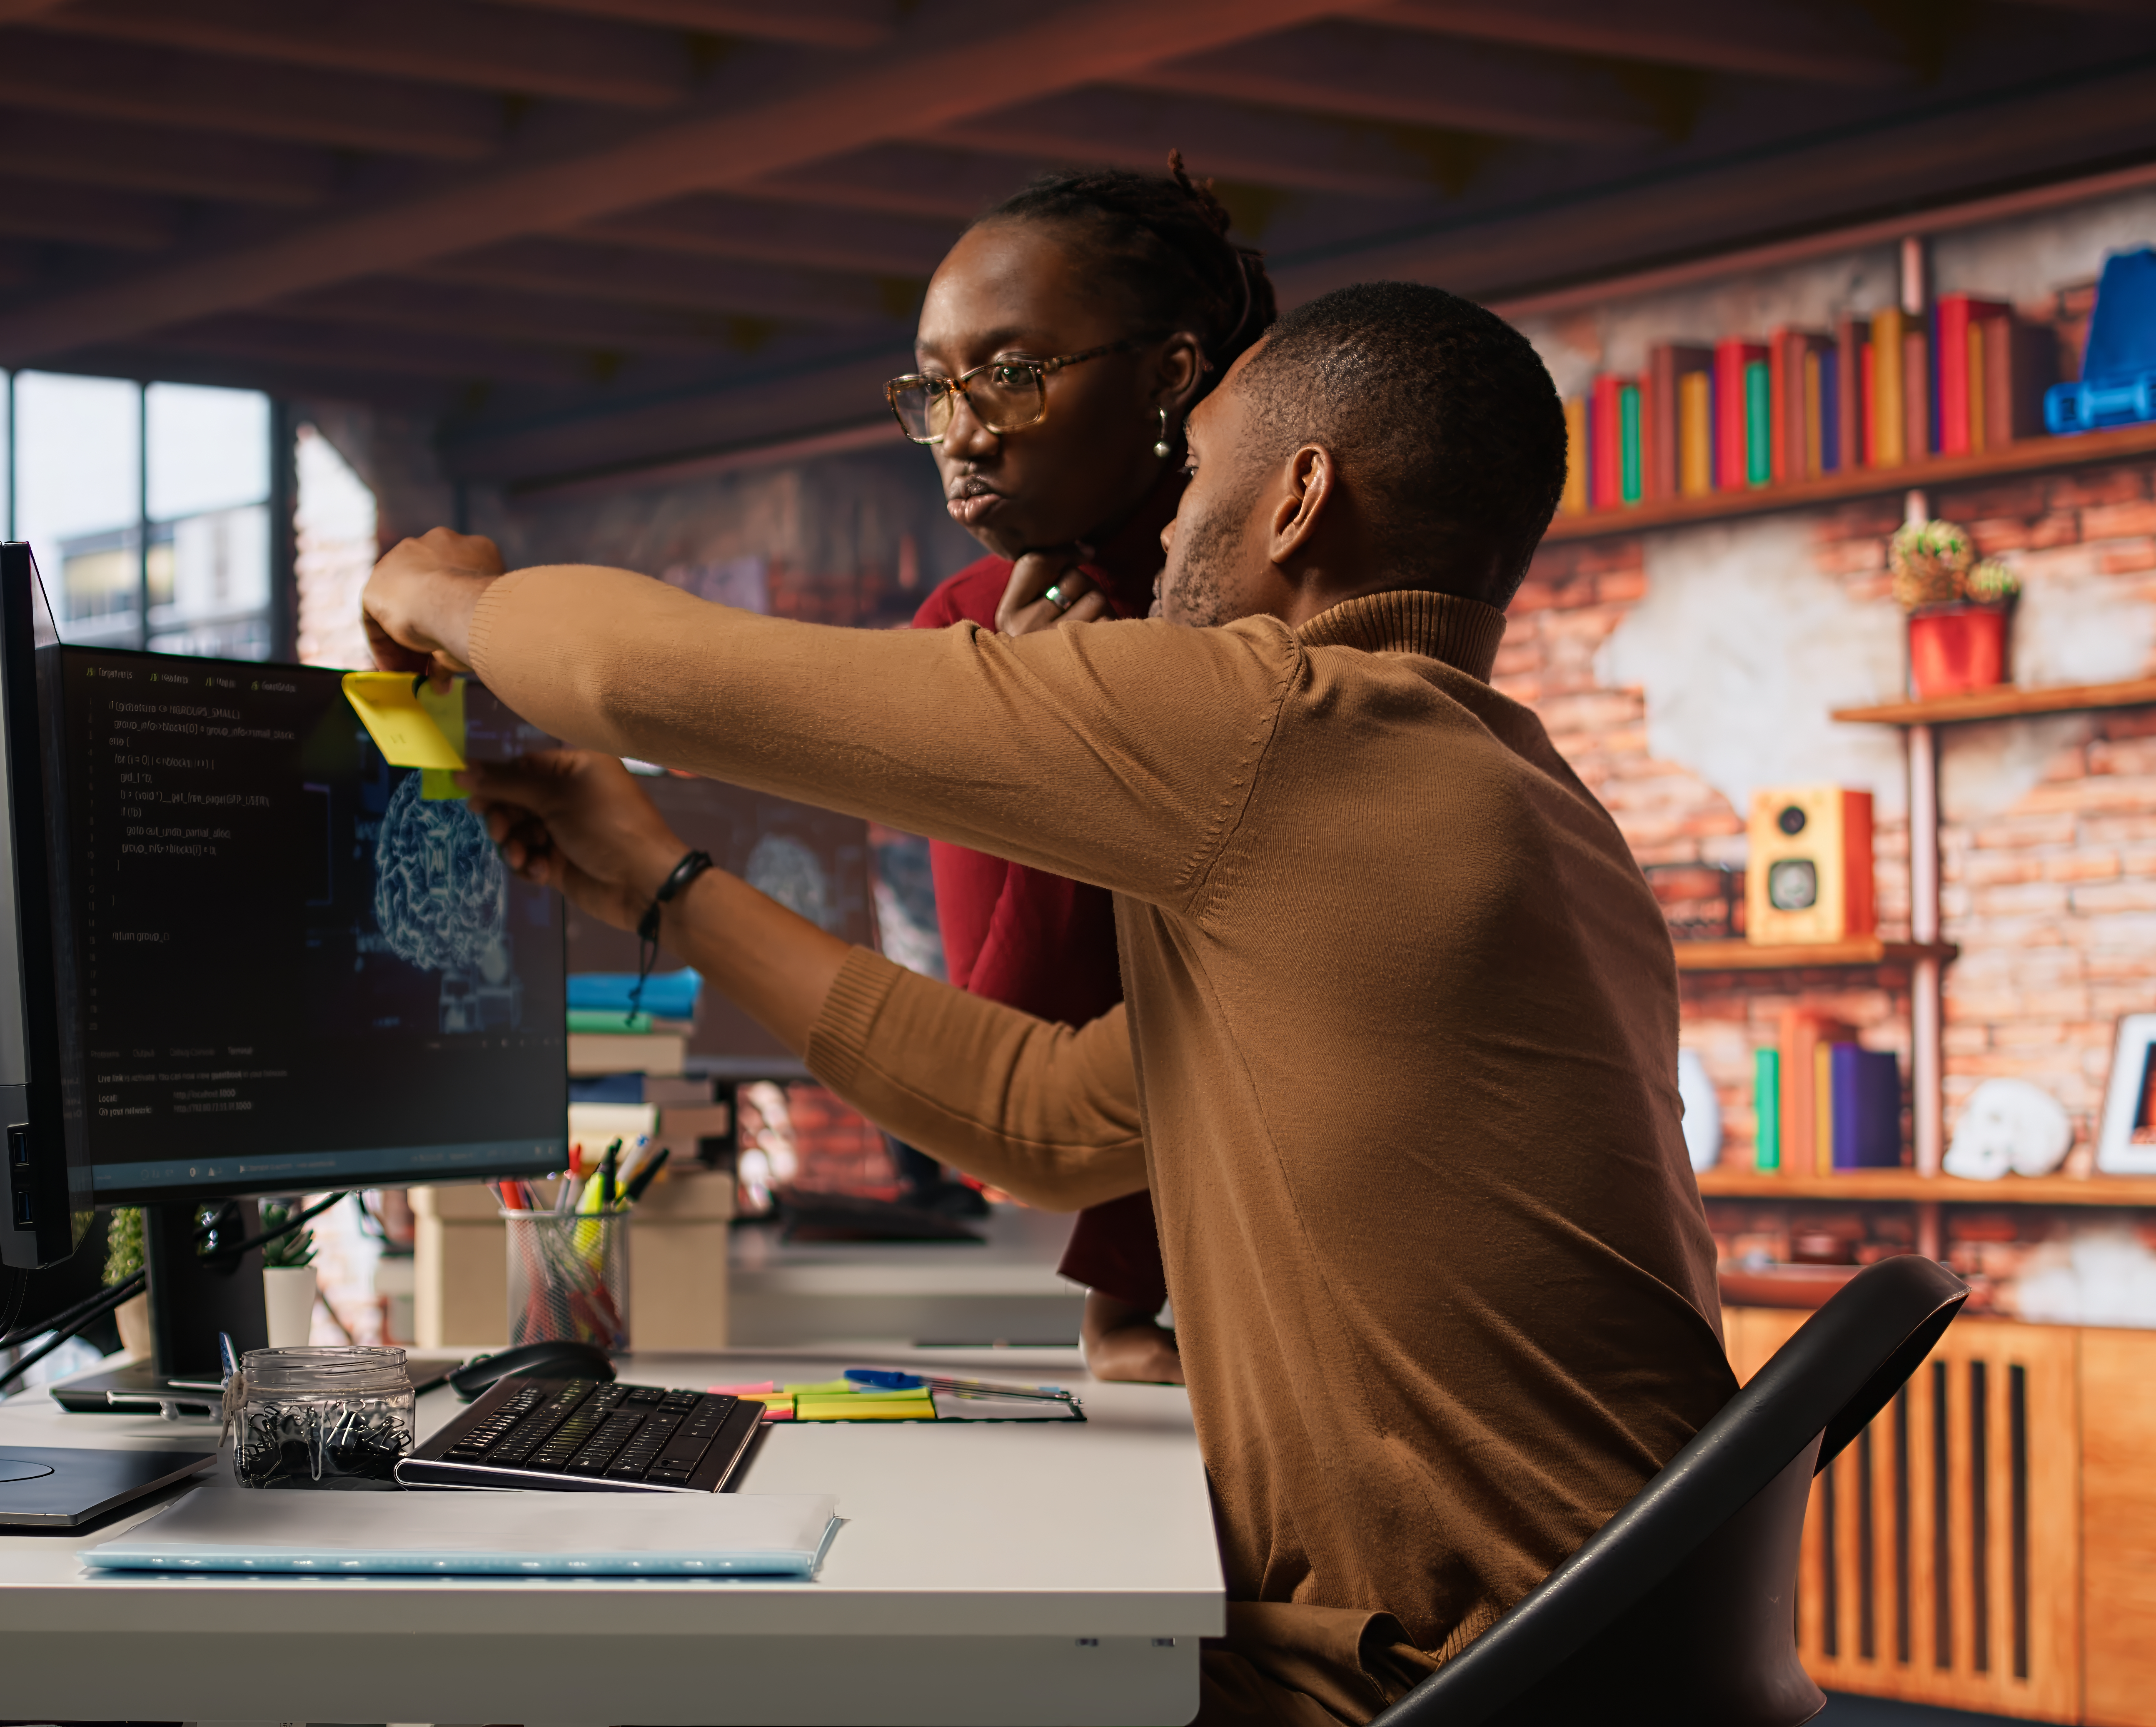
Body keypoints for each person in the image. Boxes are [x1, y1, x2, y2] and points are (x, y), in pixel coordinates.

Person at [362, 282, 1737, 1726]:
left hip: (1437, 1682)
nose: (1168, 529)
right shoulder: (1519, 811)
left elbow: (640, 676)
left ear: (1297, 502)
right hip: (1587, 1651)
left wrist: (440, 592)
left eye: (1197, 473)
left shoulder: (1286, 725)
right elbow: (1045, 1121)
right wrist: (659, 878)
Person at [889, 158, 1272, 1368]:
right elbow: (1011, 1063)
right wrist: (1054, 752)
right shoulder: (961, 632)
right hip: (1180, 1303)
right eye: (937, 388)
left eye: (1010, 377)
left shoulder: (1291, 600)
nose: (960, 435)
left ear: (1169, 373)